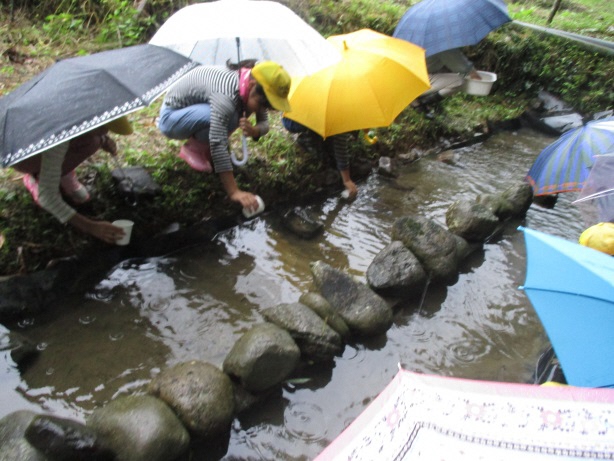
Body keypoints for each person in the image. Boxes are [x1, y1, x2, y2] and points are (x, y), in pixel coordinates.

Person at [157, 60, 292, 214]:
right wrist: (234, 192)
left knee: (232, 115)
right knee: (230, 118)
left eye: (267, 107)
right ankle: (193, 149)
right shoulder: (226, 94)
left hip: (198, 111)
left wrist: (255, 130)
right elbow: (218, 141)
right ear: (251, 85)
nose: (262, 110)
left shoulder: (254, 88)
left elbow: (264, 124)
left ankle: (205, 150)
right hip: (172, 118)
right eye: (262, 105)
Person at [12, 116, 133, 244]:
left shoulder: (77, 117)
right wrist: (90, 226)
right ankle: (37, 176)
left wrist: (103, 140)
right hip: (26, 157)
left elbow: (93, 135)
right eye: (104, 128)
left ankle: (62, 172)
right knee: (89, 141)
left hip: (54, 144)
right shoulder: (59, 136)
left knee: (94, 141)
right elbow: (47, 198)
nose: (106, 132)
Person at [281, 117, 358, 199]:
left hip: (315, 115)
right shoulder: (340, 115)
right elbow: (340, 146)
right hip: (292, 120)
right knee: (318, 151)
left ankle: (319, 133)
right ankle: (305, 137)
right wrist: (347, 180)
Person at [414, 48, 482, 110]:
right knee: (458, 80)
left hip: (408, 74)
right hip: (415, 80)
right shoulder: (441, 45)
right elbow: (457, 62)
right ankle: (421, 102)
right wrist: (472, 72)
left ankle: (417, 99)